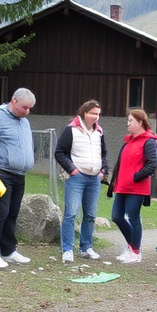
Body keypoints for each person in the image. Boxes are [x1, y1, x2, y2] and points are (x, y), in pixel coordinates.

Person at [0, 87, 36, 269]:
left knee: (13, 213)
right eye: (25, 107)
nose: (27, 112)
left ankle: (8, 250)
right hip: (1, 172)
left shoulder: (24, 121)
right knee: (0, 212)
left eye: (30, 108)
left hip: (20, 174)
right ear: (14, 101)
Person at [54, 100, 108, 262]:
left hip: (94, 179)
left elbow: (103, 153)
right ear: (84, 113)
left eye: (98, 114)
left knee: (90, 215)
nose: (95, 117)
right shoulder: (71, 130)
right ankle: (67, 249)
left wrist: (103, 170)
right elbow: (59, 152)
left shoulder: (99, 131)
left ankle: (86, 247)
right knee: (71, 213)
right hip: (76, 177)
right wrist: (72, 169)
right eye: (92, 113)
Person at [107, 109, 157, 264]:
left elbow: (152, 165)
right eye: (128, 121)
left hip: (136, 188)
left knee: (133, 218)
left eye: (131, 121)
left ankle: (135, 251)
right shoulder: (129, 140)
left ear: (141, 122)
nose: (128, 124)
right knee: (116, 216)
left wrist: (137, 176)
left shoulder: (149, 141)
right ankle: (133, 246)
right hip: (122, 186)